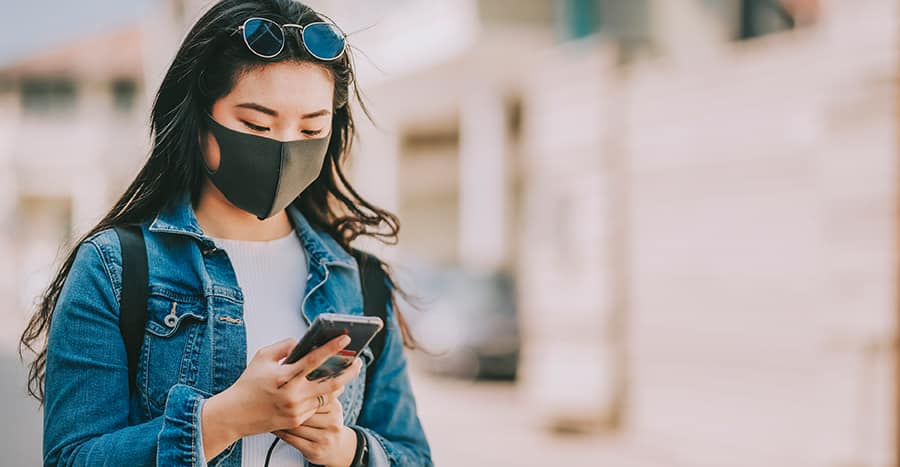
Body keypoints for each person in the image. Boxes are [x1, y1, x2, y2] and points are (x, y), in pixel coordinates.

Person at [18, 1, 433, 465]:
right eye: (257, 124)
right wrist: (225, 420)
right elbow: (70, 458)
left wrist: (348, 450)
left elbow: (413, 455)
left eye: (310, 127)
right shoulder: (114, 269)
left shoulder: (359, 279)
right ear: (200, 122)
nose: (284, 146)